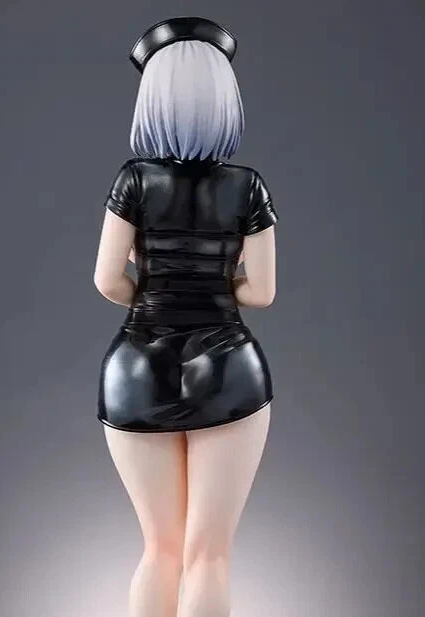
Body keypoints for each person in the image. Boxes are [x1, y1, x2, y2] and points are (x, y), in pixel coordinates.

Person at [93, 17, 278, 617]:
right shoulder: (247, 186)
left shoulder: (133, 180)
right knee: (209, 556)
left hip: (138, 366)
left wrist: (152, 293)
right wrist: (215, 287)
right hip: (228, 365)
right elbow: (262, 292)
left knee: (160, 550)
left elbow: (106, 280)